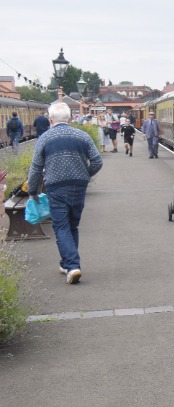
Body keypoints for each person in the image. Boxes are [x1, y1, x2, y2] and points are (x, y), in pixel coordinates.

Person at [26, 101, 103, 285]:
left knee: (61, 226)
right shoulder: (82, 135)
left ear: (50, 119)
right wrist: (85, 175)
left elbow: (36, 168)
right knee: (72, 226)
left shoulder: (45, 138)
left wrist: (32, 191)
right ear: (69, 118)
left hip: (56, 187)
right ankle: (66, 263)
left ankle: (73, 266)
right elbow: (97, 161)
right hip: (78, 186)